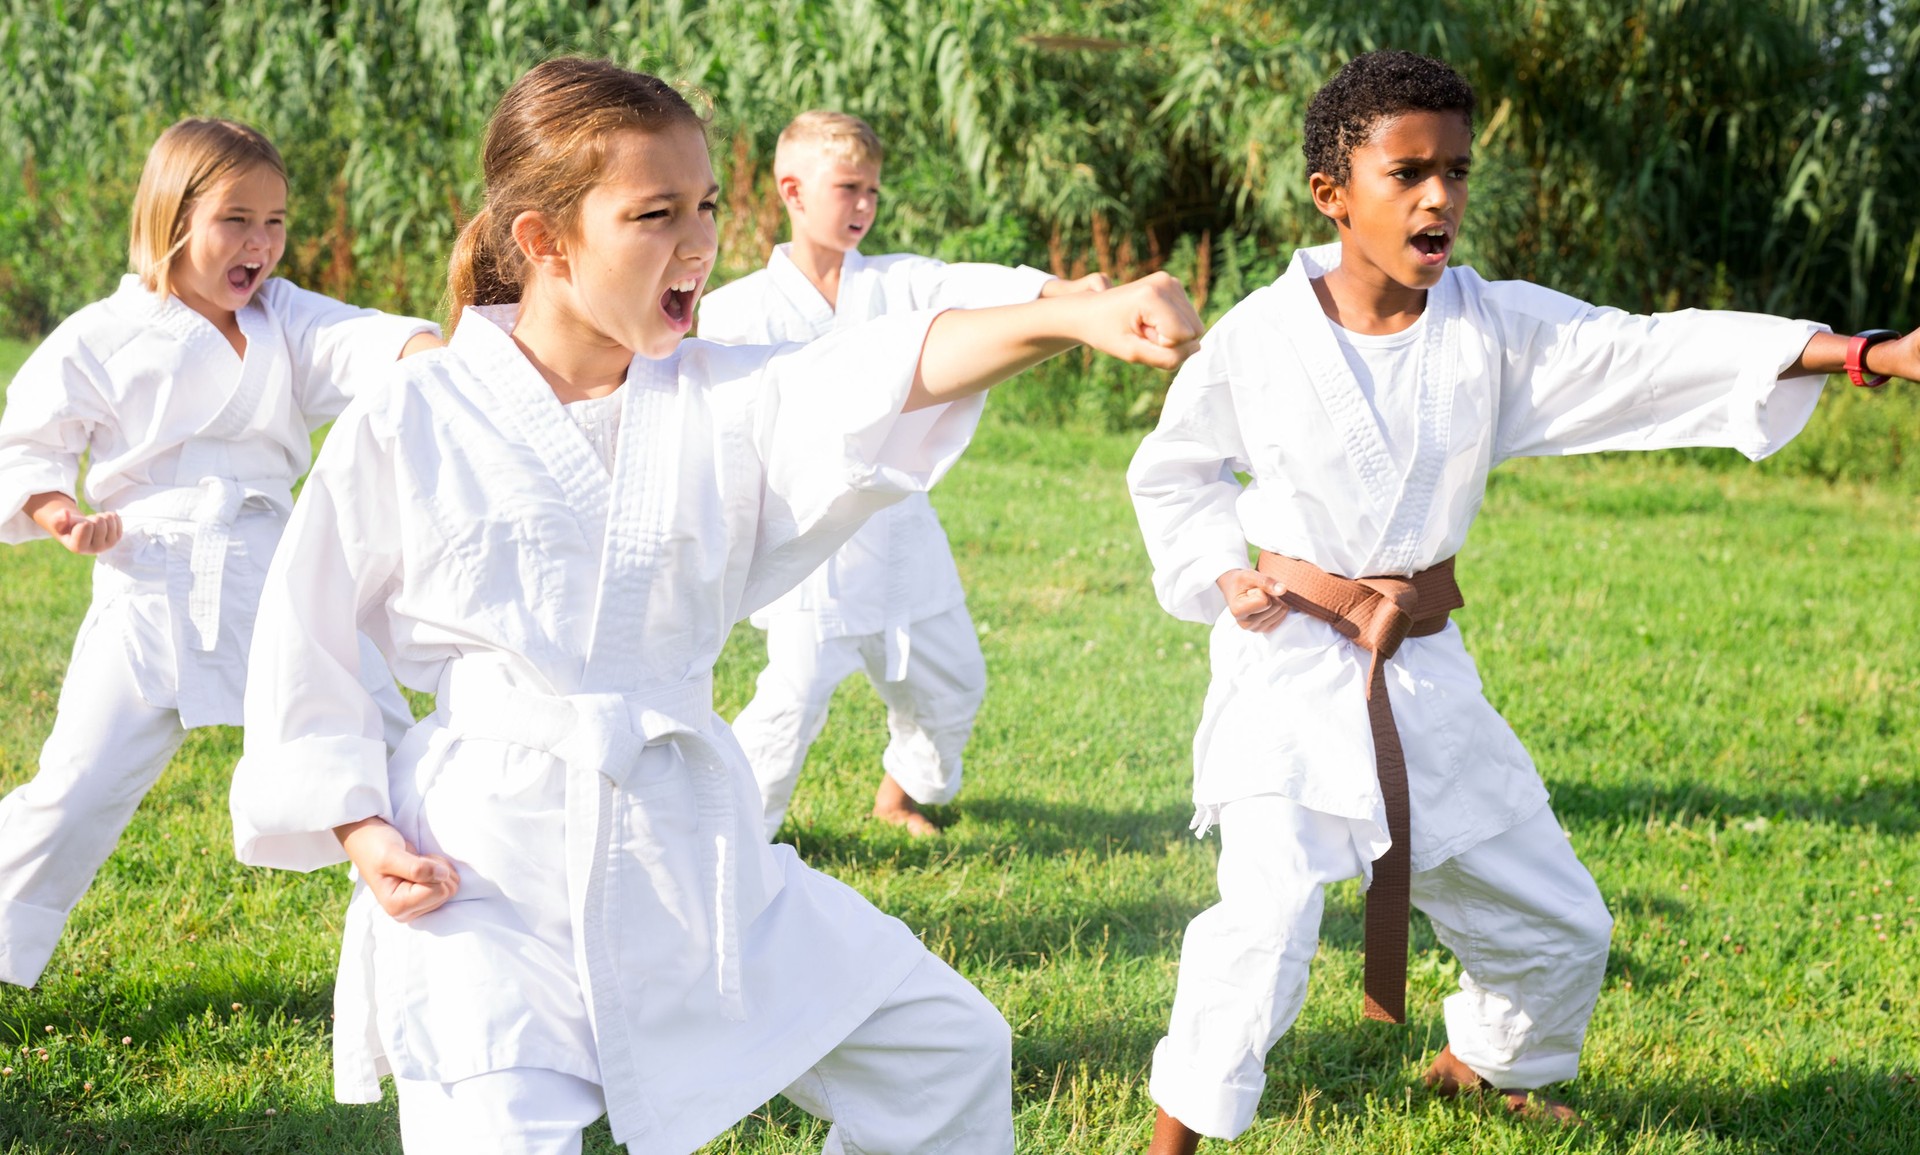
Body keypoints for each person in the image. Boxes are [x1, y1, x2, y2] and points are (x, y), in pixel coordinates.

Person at [227, 58, 1201, 1155]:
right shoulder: (420, 408)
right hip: (484, 868)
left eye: (706, 209)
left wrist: (1072, 318)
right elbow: (307, 630)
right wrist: (358, 824)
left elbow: (890, 368)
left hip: (686, 842)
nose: (698, 246)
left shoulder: (725, 391)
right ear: (545, 242)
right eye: (655, 215)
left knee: (943, 1049)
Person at [1126, 49, 1917, 1151]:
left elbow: (1649, 354)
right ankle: (1174, 1140)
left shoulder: (1490, 328)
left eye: (1455, 169)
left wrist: (1866, 354)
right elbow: (1175, 472)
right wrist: (1223, 570)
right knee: (1262, 924)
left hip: (1424, 667)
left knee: (1558, 922)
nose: (1440, 195)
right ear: (1332, 194)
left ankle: (1485, 1066)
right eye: (1407, 173)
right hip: (1294, 670)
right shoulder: (1262, 340)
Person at [0, 117, 436, 989]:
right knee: (78, 786)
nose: (262, 244)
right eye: (237, 219)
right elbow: (32, 440)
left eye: (276, 222)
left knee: (395, 750)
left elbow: (368, 340)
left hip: (278, 574)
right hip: (151, 580)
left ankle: (453, 930)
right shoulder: (103, 334)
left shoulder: (284, 320)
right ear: (173, 216)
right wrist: (59, 514)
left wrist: (437, 357)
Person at [700, 109, 1106, 838]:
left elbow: (972, 286)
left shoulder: (900, 283)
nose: (863, 206)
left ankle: (902, 794)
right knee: (787, 710)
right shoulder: (735, 310)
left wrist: (1066, 297)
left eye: (873, 192)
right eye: (848, 187)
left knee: (954, 687)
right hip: (810, 555)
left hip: (902, 539)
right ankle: (732, 840)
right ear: (792, 190)